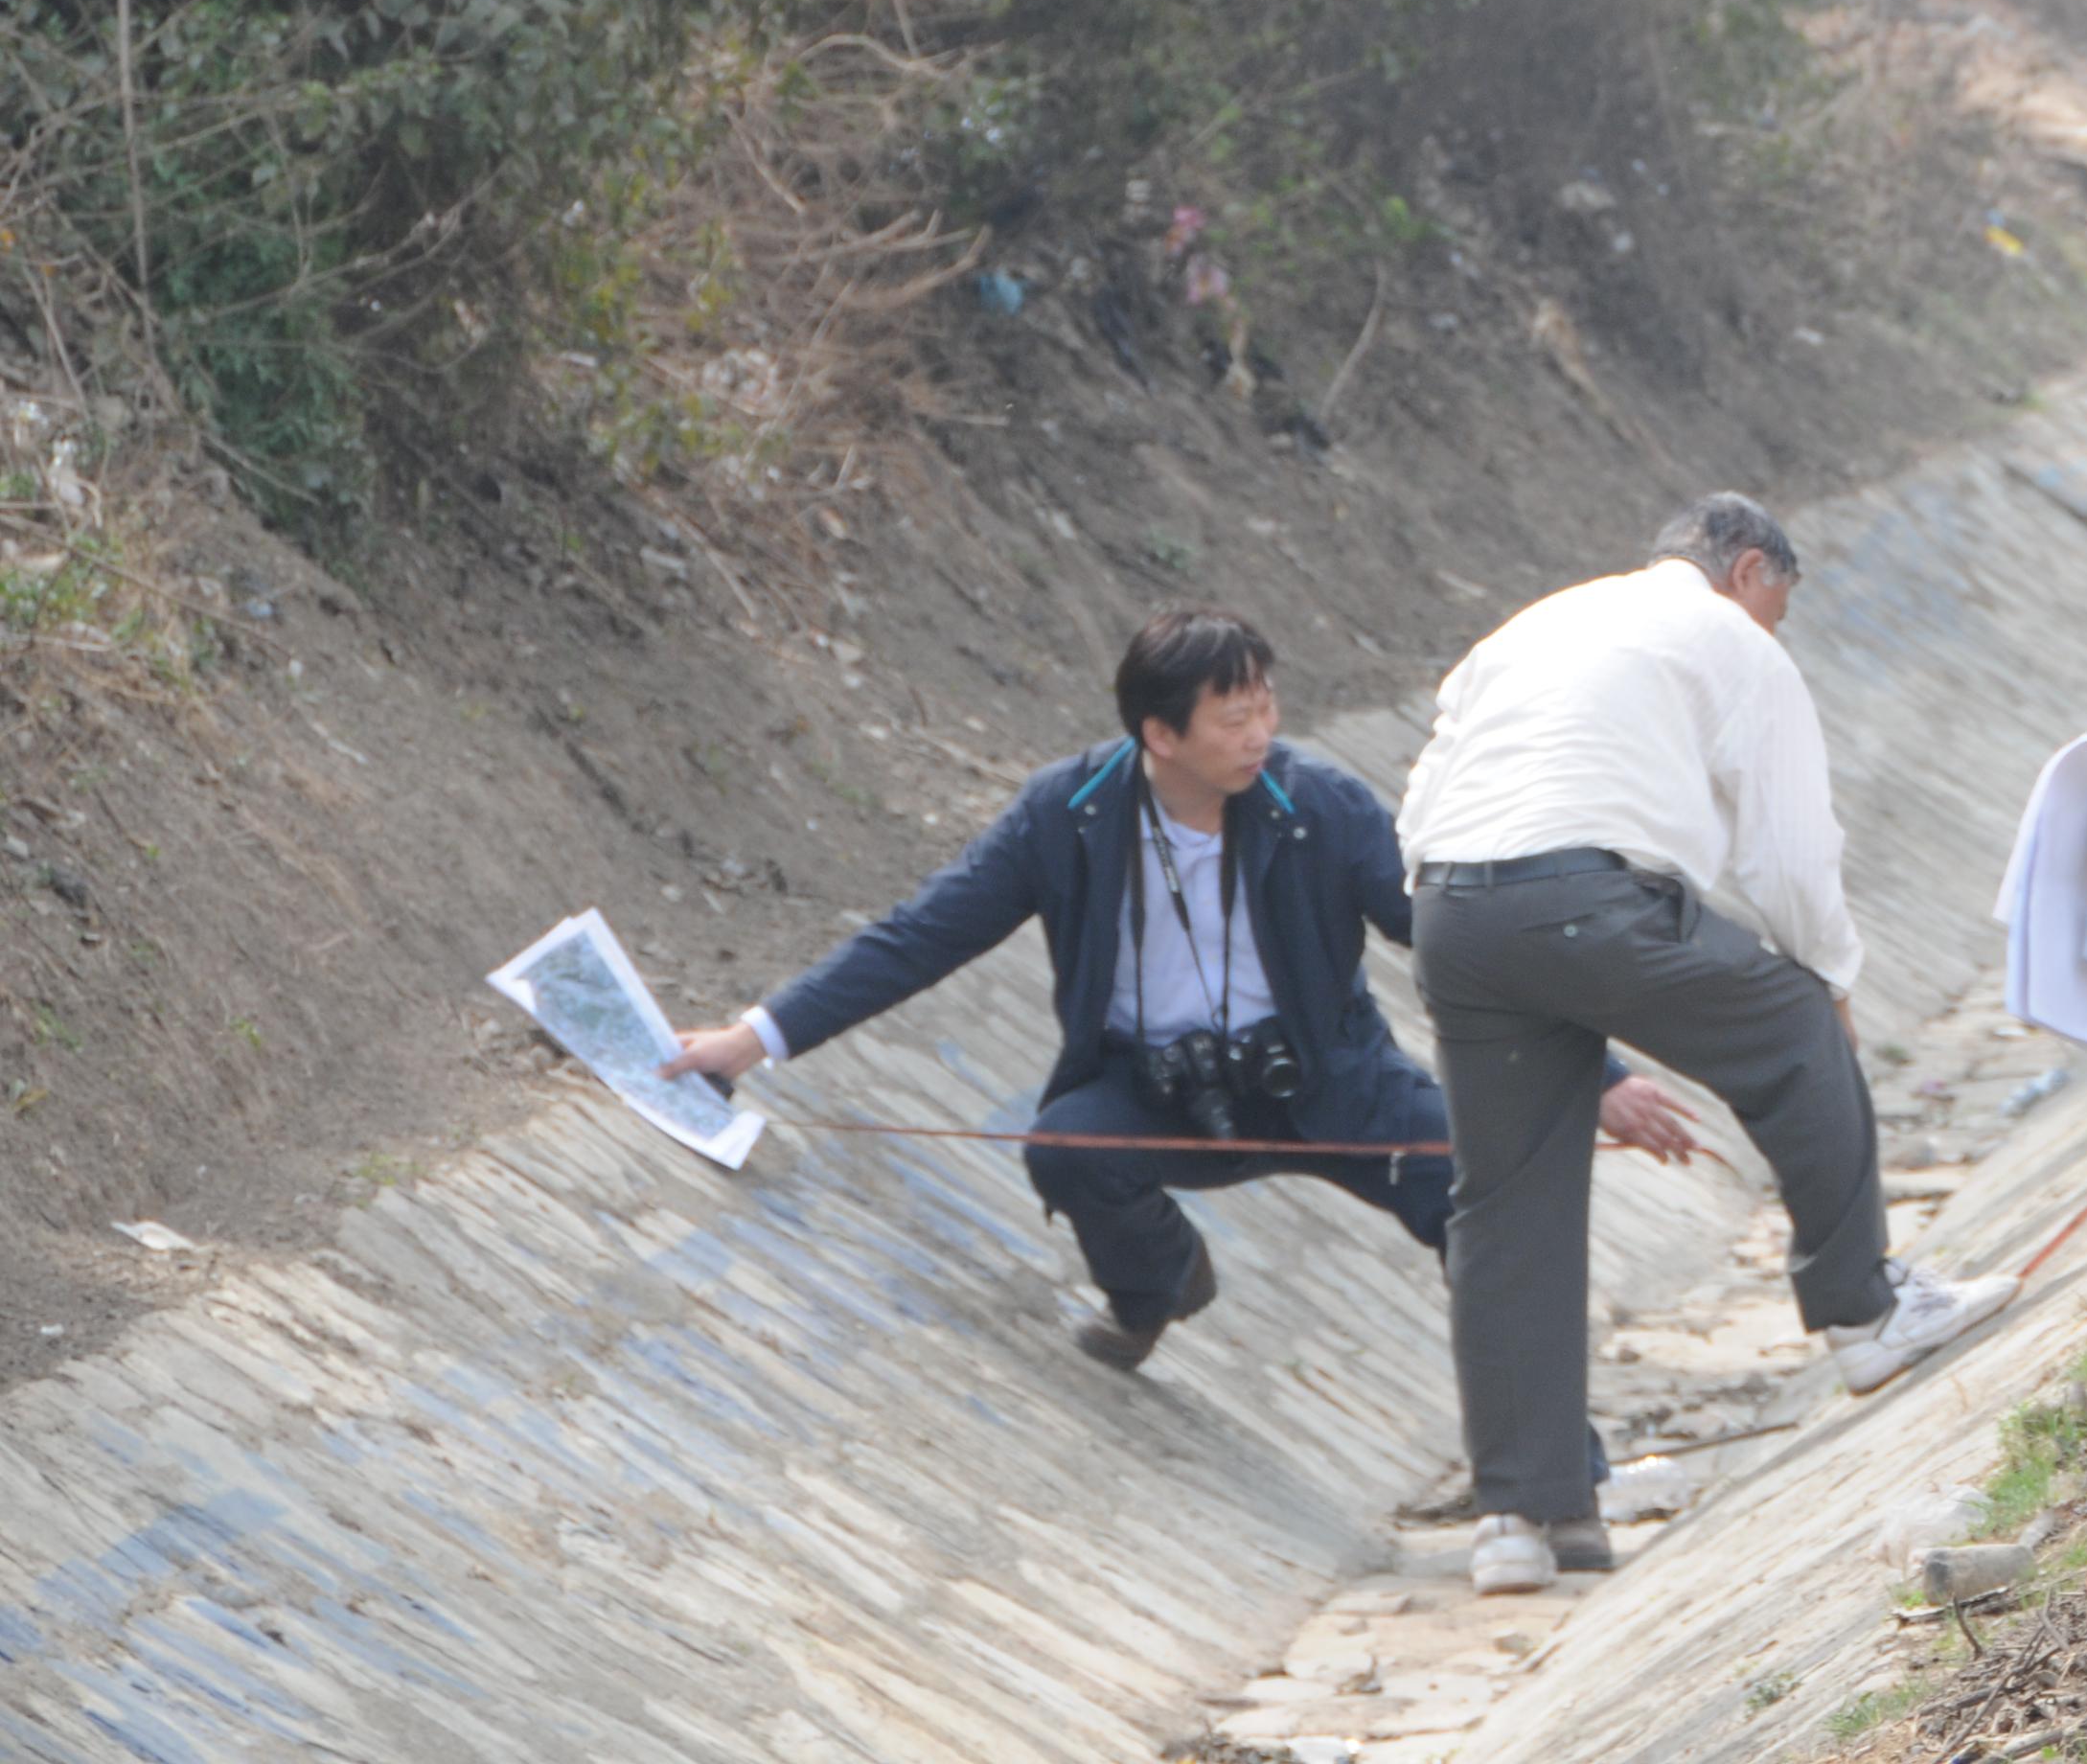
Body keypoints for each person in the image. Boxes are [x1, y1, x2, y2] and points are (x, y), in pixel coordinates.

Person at [662, 610, 1706, 1377]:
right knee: (1065, 1146)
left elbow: (1453, 942)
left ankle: (1553, 1478)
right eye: (1232, 718)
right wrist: (750, 1040)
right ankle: (1160, 1287)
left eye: (1266, 710)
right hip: (1154, 1090)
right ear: (1159, 735)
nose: (1259, 736)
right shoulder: (1064, 814)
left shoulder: (1321, 805)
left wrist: (1597, 1073)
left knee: (1486, 1212)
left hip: (1333, 1083)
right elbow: (921, 936)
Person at [1399, 494, 2018, 1598]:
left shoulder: (1536, 622)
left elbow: (1426, 788)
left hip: (1453, 912)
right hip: (1589, 893)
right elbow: (1789, 848)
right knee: (1789, 1024)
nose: (1778, 627)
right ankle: (1865, 1307)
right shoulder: (1733, 640)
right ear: (1745, 568)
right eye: (1780, 601)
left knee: (1505, 1203)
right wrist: (1827, 974)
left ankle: (1524, 1512)